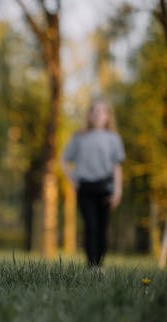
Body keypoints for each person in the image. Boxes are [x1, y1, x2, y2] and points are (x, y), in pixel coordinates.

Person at [61, 100, 125, 267]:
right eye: (94, 111)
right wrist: (72, 179)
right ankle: (91, 266)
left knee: (102, 229)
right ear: (89, 115)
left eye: (101, 111)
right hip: (85, 188)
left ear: (107, 116)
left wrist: (117, 192)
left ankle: (99, 264)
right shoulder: (79, 137)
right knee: (91, 226)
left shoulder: (113, 138)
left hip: (105, 188)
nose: (97, 114)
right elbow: (64, 160)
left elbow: (117, 167)